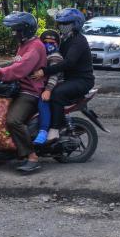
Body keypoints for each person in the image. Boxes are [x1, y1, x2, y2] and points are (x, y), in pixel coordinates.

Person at [0, 12, 47, 173]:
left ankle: (32, 156)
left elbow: (20, 69)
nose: (14, 33)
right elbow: (15, 64)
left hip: (30, 91)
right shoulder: (24, 44)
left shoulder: (35, 47)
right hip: (18, 88)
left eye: (16, 30)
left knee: (13, 120)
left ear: (25, 30)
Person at [32, 8, 95, 142]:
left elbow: (68, 63)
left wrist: (44, 71)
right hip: (68, 79)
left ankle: (55, 129)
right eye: (60, 23)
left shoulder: (79, 41)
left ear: (75, 24)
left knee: (57, 93)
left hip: (82, 81)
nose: (62, 26)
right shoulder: (64, 39)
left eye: (66, 24)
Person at [33, 30, 64, 145]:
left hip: (55, 85)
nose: (49, 45)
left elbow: (54, 76)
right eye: (45, 42)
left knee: (43, 101)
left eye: (52, 42)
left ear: (57, 44)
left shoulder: (55, 56)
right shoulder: (43, 55)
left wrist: (48, 90)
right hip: (44, 85)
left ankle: (43, 131)